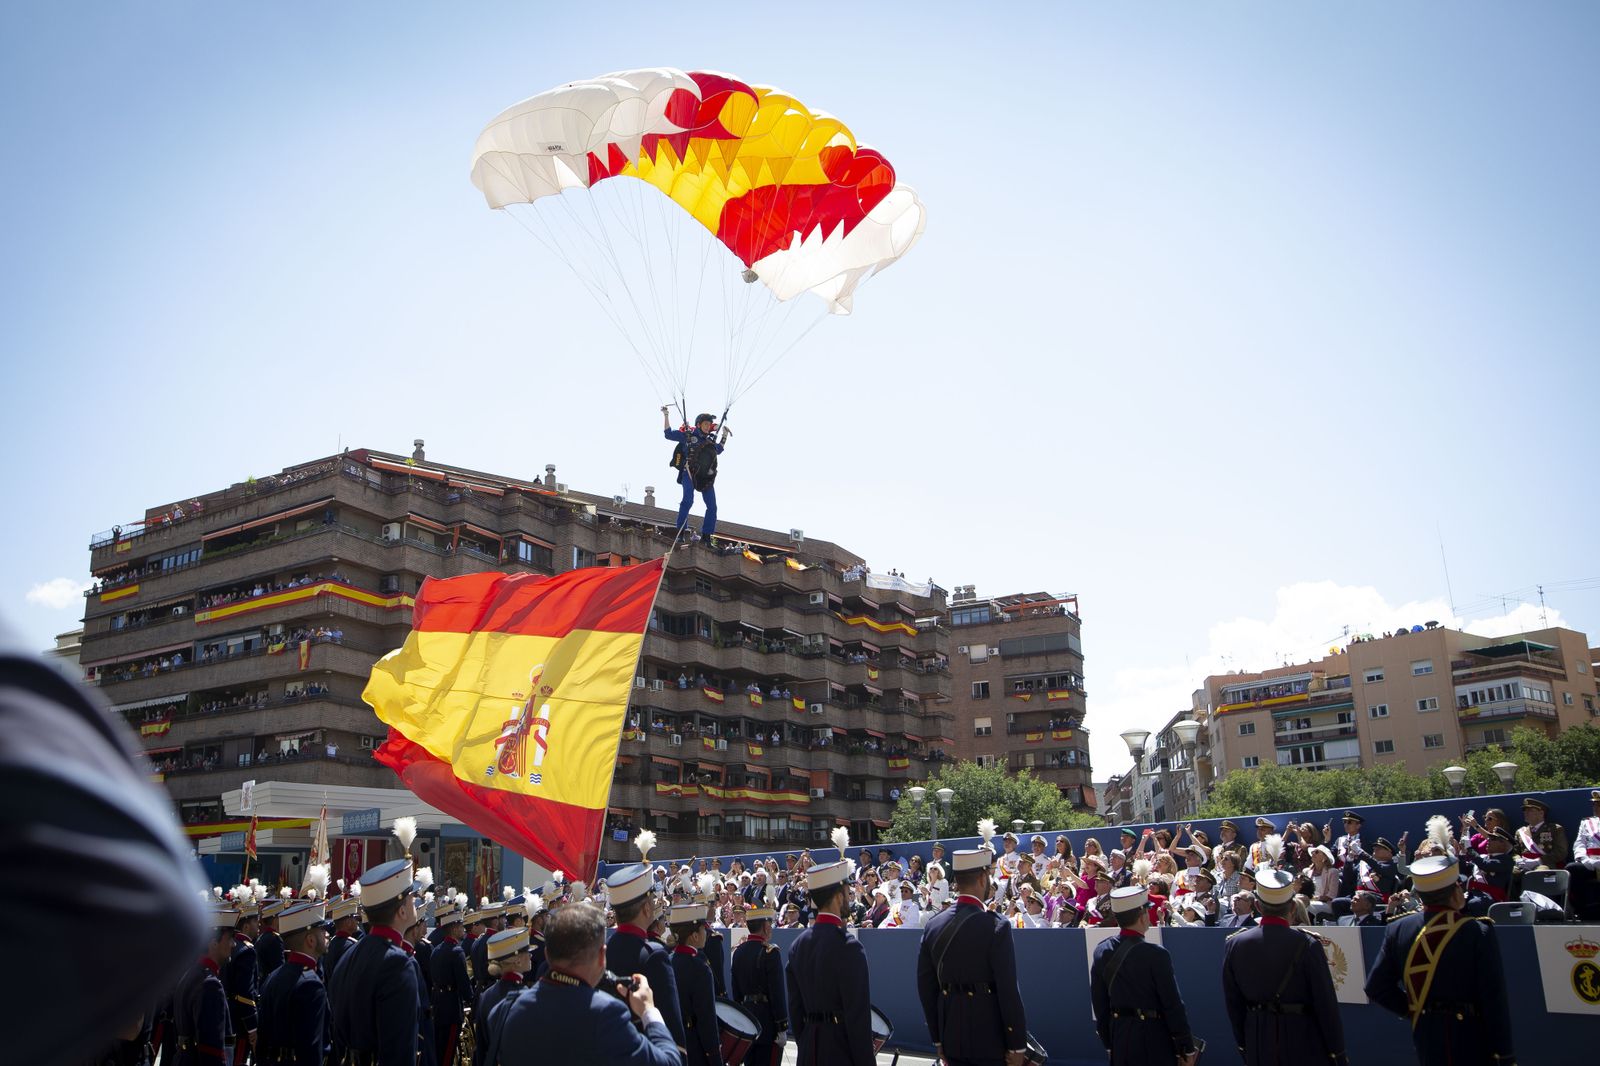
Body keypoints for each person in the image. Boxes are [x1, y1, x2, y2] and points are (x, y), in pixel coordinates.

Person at [1363, 854, 1516, 1066]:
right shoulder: (1476, 930)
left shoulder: (1397, 929)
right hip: (1471, 1037)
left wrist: (1418, 1011)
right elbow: (1494, 1000)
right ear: (1455, 892)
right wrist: (1505, 1056)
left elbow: (1376, 987)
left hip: (1426, 1033)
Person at [487, 901, 680, 1066]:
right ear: (601, 956)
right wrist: (649, 1011)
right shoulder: (606, 1014)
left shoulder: (503, 1011)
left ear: (547, 954)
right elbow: (670, 1062)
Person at [917, 836, 1028, 1066]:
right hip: (989, 1037)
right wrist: (1016, 1043)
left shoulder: (933, 925)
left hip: (951, 1036)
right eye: (988, 875)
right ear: (982, 877)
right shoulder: (996, 925)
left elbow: (926, 989)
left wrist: (938, 1040)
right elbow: (1008, 991)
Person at [1221, 869, 1347, 1065]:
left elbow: (1233, 1004)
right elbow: (1325, 1004)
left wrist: (1244, 1044)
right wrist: (1337, 1052)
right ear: (1292, 908)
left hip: (1258, 1038)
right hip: (1302, 1038)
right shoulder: (1308, 943)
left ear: (1257, 906)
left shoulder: (1235, 944)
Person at [1089, 886, 1200, 1066]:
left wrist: (1109, 1044)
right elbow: (1173, 1005)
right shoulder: (1156, 954)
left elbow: (1100, 1003)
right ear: (1143, 916)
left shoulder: (1102, 950)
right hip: (1153, 1037)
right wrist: (1185, 1046)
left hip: (1120, 1035)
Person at [327, 859, 423, 1066]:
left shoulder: (349, 955)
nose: (415, 902)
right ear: (402, 911)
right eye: (412, 898)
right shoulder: (398, 964)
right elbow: (399, 1053)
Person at [786, 855, 872, 1065]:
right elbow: (857, 1018)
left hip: (809, 1049)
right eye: (846, 891)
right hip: (839, 1051)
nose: (849, 896)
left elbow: (795, 1011)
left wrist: (806, 1042)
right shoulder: (849, 947)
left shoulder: (798, 945)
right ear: (837, 896)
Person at [605, 858, 687, 1050]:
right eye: (652, 900)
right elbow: (672, 1026)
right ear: (647, 908)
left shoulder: (605, 949)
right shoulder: (655, 955)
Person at [257, 901, 331, 1066]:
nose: (326, 934)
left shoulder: (273, 977)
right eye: (322, 930)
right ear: (310, 940)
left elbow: (261, 1044)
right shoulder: (310, 985)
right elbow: (311, 1052)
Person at [175, 903, 240, 1066]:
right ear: (214, 943)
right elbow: (211, 1050)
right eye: (230, 938)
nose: (234, 944)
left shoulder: (193, 973)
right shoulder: (210, 984)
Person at [668, 902, 725, 1066]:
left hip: (671, 1042)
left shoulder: (667, 960)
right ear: (694, 935)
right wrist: (715, 1057)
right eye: (703, 929)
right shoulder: (700, 968)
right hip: (694, 1045)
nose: (706, 933)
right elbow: (706, 1019)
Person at [732, 905, 788, 1065]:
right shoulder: (770, 952)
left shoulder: (738, 952)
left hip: (746, 1022)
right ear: (764, 926)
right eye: (769, 923)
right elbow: (777, 993)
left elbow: (736, 993)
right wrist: (782, 1025)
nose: (771, 927)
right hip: (767, 1024)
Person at [662, 408, 729, 543]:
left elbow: (719, 449)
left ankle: (706, 536)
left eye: (708, 425)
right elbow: (668, 434)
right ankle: (681, 532)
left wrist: (724, 435)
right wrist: (666, 415)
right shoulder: (688, 436)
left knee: (712, 506)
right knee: (688, 500)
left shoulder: (710, 441)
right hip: (690, 473)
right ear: (698, 424)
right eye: (705, 424)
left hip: (705, 478)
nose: (707, 427)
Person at [474, 925, 534, 1066]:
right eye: (527, 952)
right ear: (517, 960)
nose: (531, 955)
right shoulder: (527, 997)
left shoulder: (486, 995)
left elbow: (481, 1049)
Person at [429, 900, 474, 1066]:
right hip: (451, 1008)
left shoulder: (436, 950)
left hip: (438, 1005)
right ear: (454, 928)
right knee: (448, 1053)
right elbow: (463, 984)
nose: (463, 929)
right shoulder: (457, 952)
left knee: (438, 1049)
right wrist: (471, 999)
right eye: (461, 926)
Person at [223, 892, 261, 1066]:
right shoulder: (247, 951)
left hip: (228, 1014)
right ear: (246, 926)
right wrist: (252, 1026)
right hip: (240, 1020)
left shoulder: (231, 945)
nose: (258, 924)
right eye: (255, 921)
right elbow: (245, 993)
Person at [1566, 788, 1600, 920]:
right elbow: (1579, 844)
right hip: (1590, 863)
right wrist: (1584, 860)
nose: (1595, 807)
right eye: (1594, 804)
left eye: (1599, 804)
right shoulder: (1587, 822)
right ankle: (1584, 909)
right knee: (1572, 869)